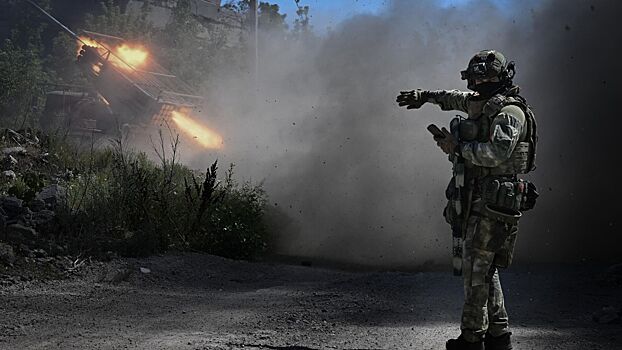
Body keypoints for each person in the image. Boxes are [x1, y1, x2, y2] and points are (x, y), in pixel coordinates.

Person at [396, 50, 538, 350]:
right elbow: (453, 98)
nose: (479, 81)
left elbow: (495, 153)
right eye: (475, 76)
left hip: (495, 201)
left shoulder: (509, 112)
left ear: (501, 77)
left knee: (476, 268)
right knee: (484, 268)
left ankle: (471, 339)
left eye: (485, 76)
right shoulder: (483, 103)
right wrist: (424, 96)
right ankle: (499, 336)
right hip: (479, 195)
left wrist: (455, 147)